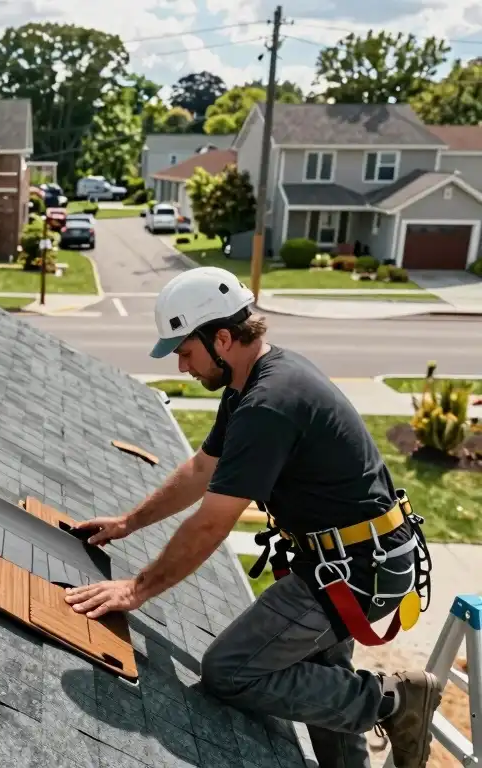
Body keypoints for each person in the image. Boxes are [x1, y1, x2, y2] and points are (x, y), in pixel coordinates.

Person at [64, 266, 440, 768]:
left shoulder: (269, 402)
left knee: (231, 670)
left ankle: (394, 700)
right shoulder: (250, 383)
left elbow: (212, 522)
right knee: (320, 684)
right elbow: (201, 469)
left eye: (185, 351)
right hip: (352, 561)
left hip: (358, 571)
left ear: (221, 337)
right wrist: (128, 523)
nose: (182, 366)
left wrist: (136, 591)